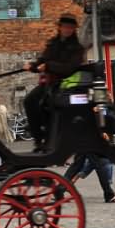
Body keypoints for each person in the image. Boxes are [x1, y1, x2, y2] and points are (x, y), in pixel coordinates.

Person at [23, 15, 87, 151]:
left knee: (51, 105)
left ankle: (51, 140)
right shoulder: (52, 43)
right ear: (60, 27)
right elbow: (43, 60)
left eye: (71, 28)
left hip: (66, 86)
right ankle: (38, 138)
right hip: (49, 84)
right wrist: (32, 66)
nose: (68, 30)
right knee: (29, 101)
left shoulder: (77, 48)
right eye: (65, 27)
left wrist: (48, 66)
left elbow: (69, 68)